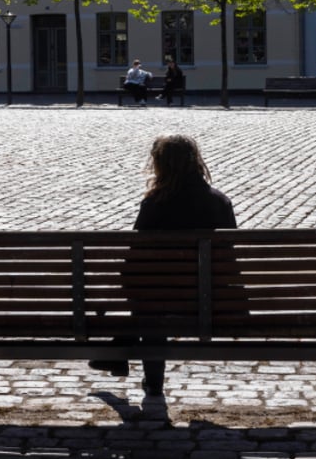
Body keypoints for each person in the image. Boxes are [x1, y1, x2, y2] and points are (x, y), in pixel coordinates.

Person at [90, 134, 237, 397]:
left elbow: (134, 261)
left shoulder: (155, 203)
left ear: (159, 164)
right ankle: (113, 355)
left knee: (151, 301)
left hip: (157, 301)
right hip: (210, 300)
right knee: (154, 298)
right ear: (196, 162)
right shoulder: (219, 202)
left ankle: (139, 372)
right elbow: (228, 260)